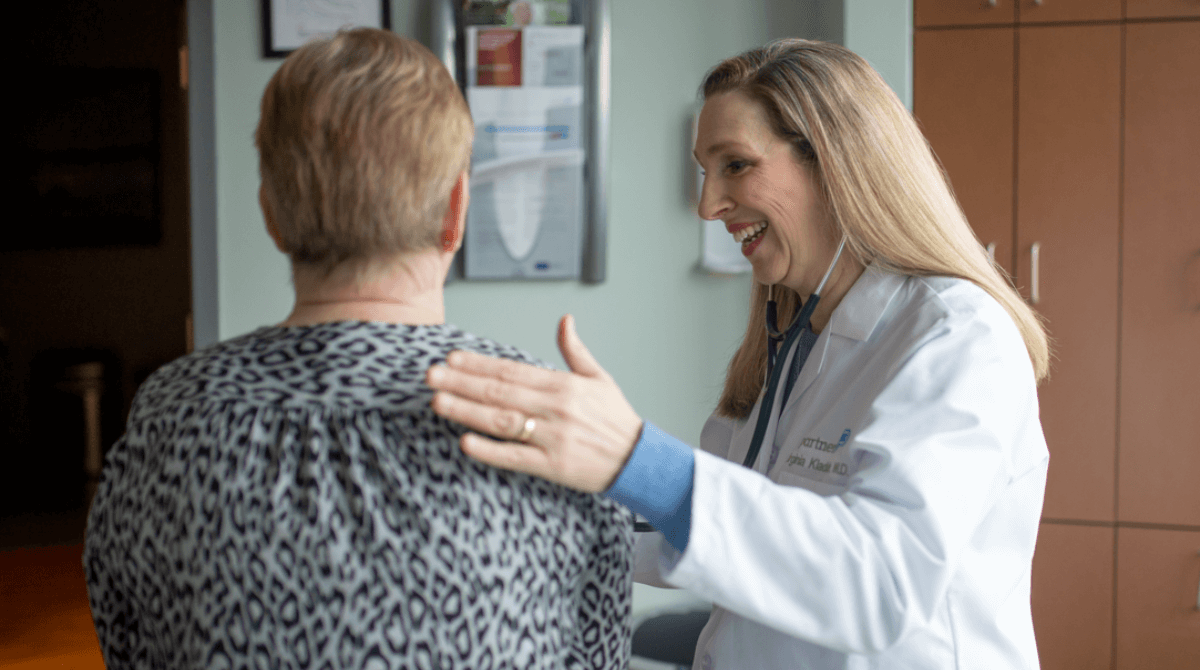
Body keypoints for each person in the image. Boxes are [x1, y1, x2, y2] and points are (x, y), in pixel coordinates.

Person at [425, 39, 1051, 670]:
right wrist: (550, 483)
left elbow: (882, 583)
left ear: (834, 161)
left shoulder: (958, 338)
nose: (708, 205)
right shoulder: (794, 339)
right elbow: (728, 537)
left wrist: (634, 457)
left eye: (736, 165)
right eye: (705, 170)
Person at [83, 28, 633, 669]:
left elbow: (128, 640)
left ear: (272, 214)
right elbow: (600, 652)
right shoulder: (552, 423)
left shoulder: (171, 416)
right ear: (457, 209)